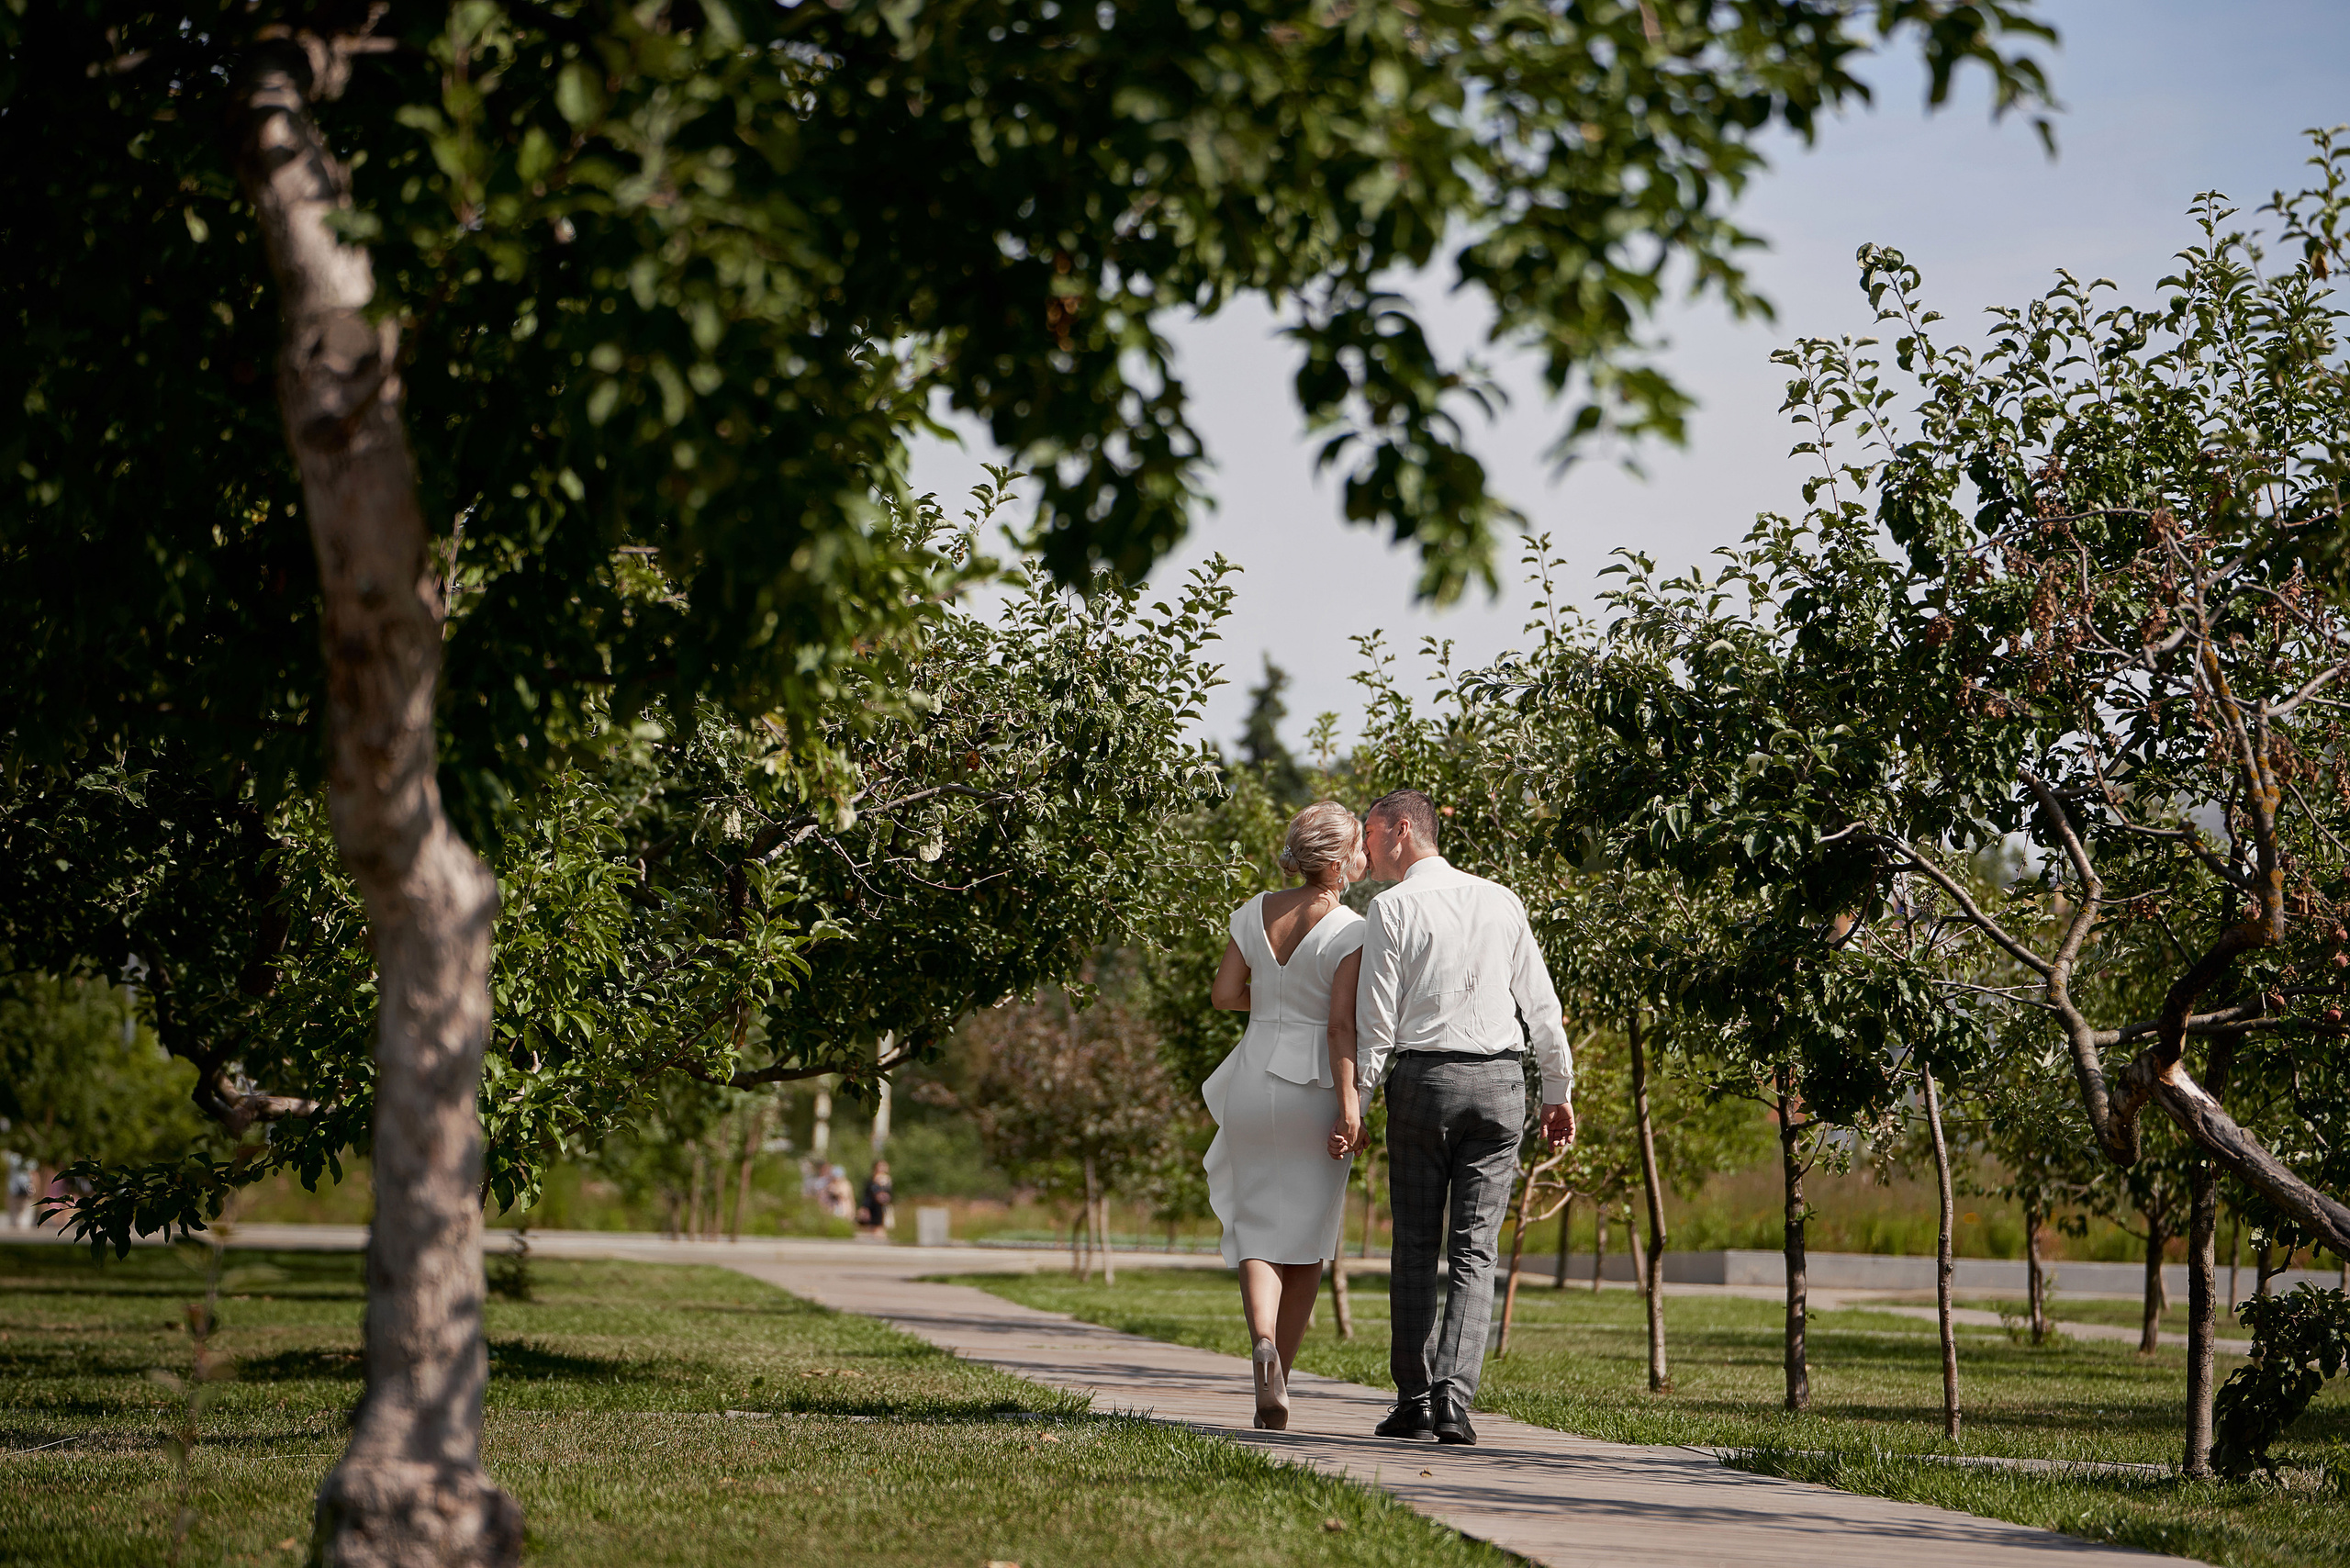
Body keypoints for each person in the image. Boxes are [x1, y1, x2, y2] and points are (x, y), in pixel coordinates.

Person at [1350, 788, 1575, 1447]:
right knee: (1476, 1247)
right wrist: (1558, 1090)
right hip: (1504, 1083)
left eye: (1370, 835)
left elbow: (1377, 1025)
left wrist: (1356, 1105)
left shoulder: (1390, 908)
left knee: (1416, 1243)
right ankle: (1454, 1400)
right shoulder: (1501, 899)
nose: (1366, 850)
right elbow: (1542, 1003)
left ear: (1399, 830)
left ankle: (1413, 1399)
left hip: (1424, 1082)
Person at [1204, 800, 1368, 1429]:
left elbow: (1223, 996)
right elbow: (1340, 1025)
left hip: (1250, 1078)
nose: (1363, 857)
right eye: (1356, 847)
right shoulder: (1352, 927)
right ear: (1332, 862)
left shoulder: (1250, 912)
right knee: (1306, 1245)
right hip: (1314, 1089)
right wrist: (1350, 1109)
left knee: (1256, 1229)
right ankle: (1280, 1379)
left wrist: (1270, 1004)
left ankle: (1262, 1343)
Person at [856, 1159, 895, 1235]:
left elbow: (891, 1194)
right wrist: (865, 1207)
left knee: (882, 1227)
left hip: (883, 1207)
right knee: (871, 1228)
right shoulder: (871, 1181)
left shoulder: (888, 1181)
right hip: (873, 1206)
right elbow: (867, 1195)